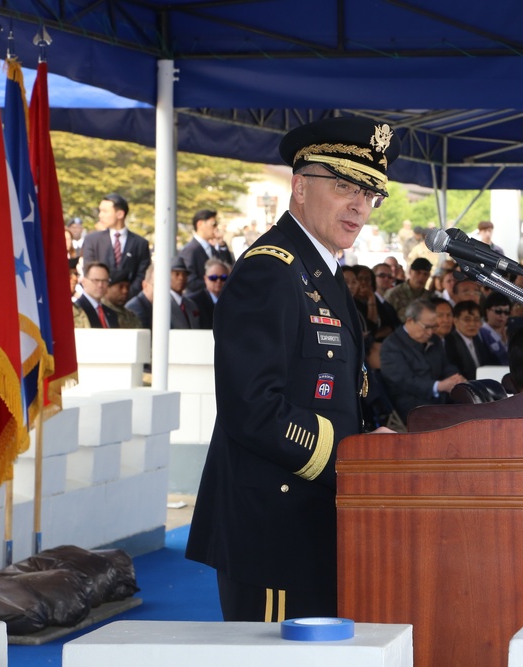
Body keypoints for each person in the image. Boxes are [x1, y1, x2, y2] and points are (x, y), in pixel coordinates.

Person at [186, 117, 399, 621]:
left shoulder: (321, 269)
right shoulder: (272, 269)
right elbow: (253, 409)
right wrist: (351, 458)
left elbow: (346, 389)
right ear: (299, 187)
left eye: (370, 193)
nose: (359, 205)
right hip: (273, 529)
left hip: (314, 518)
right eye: (344, 185)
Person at [380, 299, 466, 421]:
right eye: (426, 327)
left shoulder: (434, 339)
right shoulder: (392, 345)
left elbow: (446, 365)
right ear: (410, 321)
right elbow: (405, 380)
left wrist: (456, 378)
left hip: (440, 398)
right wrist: (438, 386)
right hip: (411, 404)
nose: (430, 332)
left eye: (434, 327)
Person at [81, 193, 151, 298]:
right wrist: (107, 293)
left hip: (129, 301)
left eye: (105, 211)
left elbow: (141, 275)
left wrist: (125, 294)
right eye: (100, 211)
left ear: (120, 214)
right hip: (100, 299)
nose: (100, 215)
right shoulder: (92, 240)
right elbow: (89, 270)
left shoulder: (140, 243)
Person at [446, 300, 499, 379]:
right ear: (455, 320)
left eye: (476, 320)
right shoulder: (449, 342)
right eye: (467, 320)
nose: (472, 324)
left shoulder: (478, 340)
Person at [179, 209, 220, 295]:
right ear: (200, 224)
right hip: (198, 301)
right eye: (213, 224)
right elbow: (190, 281)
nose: (216, 228)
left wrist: (222, 244)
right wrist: (212, 284)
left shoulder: (212, 249)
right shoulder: (190, 250)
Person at [73, 261, 119, 328]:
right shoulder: (78, 310)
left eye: (104, 281)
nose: (100, 285)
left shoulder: (111, 313)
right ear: (83, 281)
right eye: (95, 280)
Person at [189, 258, 230, 330]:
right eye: (213, 278)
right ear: (205, 279)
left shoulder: (233, 301)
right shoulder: (193, 302)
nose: (218, 281)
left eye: (223, 277)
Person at [168, 258, 201, 329]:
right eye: (177, 274)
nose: (181, 278)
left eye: (184, 274)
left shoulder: (192, 305)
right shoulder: (163, 305)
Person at [479, 292, 511, 364]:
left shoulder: (510, 331)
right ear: (487, 311)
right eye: (498, 311)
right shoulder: (481, 332)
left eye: (506, 312)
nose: (502, 315)